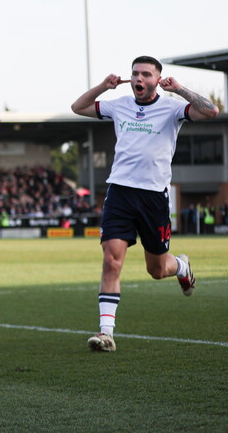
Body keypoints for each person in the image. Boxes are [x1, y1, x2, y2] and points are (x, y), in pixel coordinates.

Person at [70, 55, 219, 352]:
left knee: (157, 269)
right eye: (135, 74)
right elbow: (78, 107)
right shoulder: (120, 104)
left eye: (146, 75)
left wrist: (180, 89)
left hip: (153, 197)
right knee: (111, 260)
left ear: (157, 79)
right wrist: (103, 86)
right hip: (120, 192)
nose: (139, 79)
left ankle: (181, 266)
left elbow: (212, 111)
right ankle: (106, 334)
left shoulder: (172, 107)